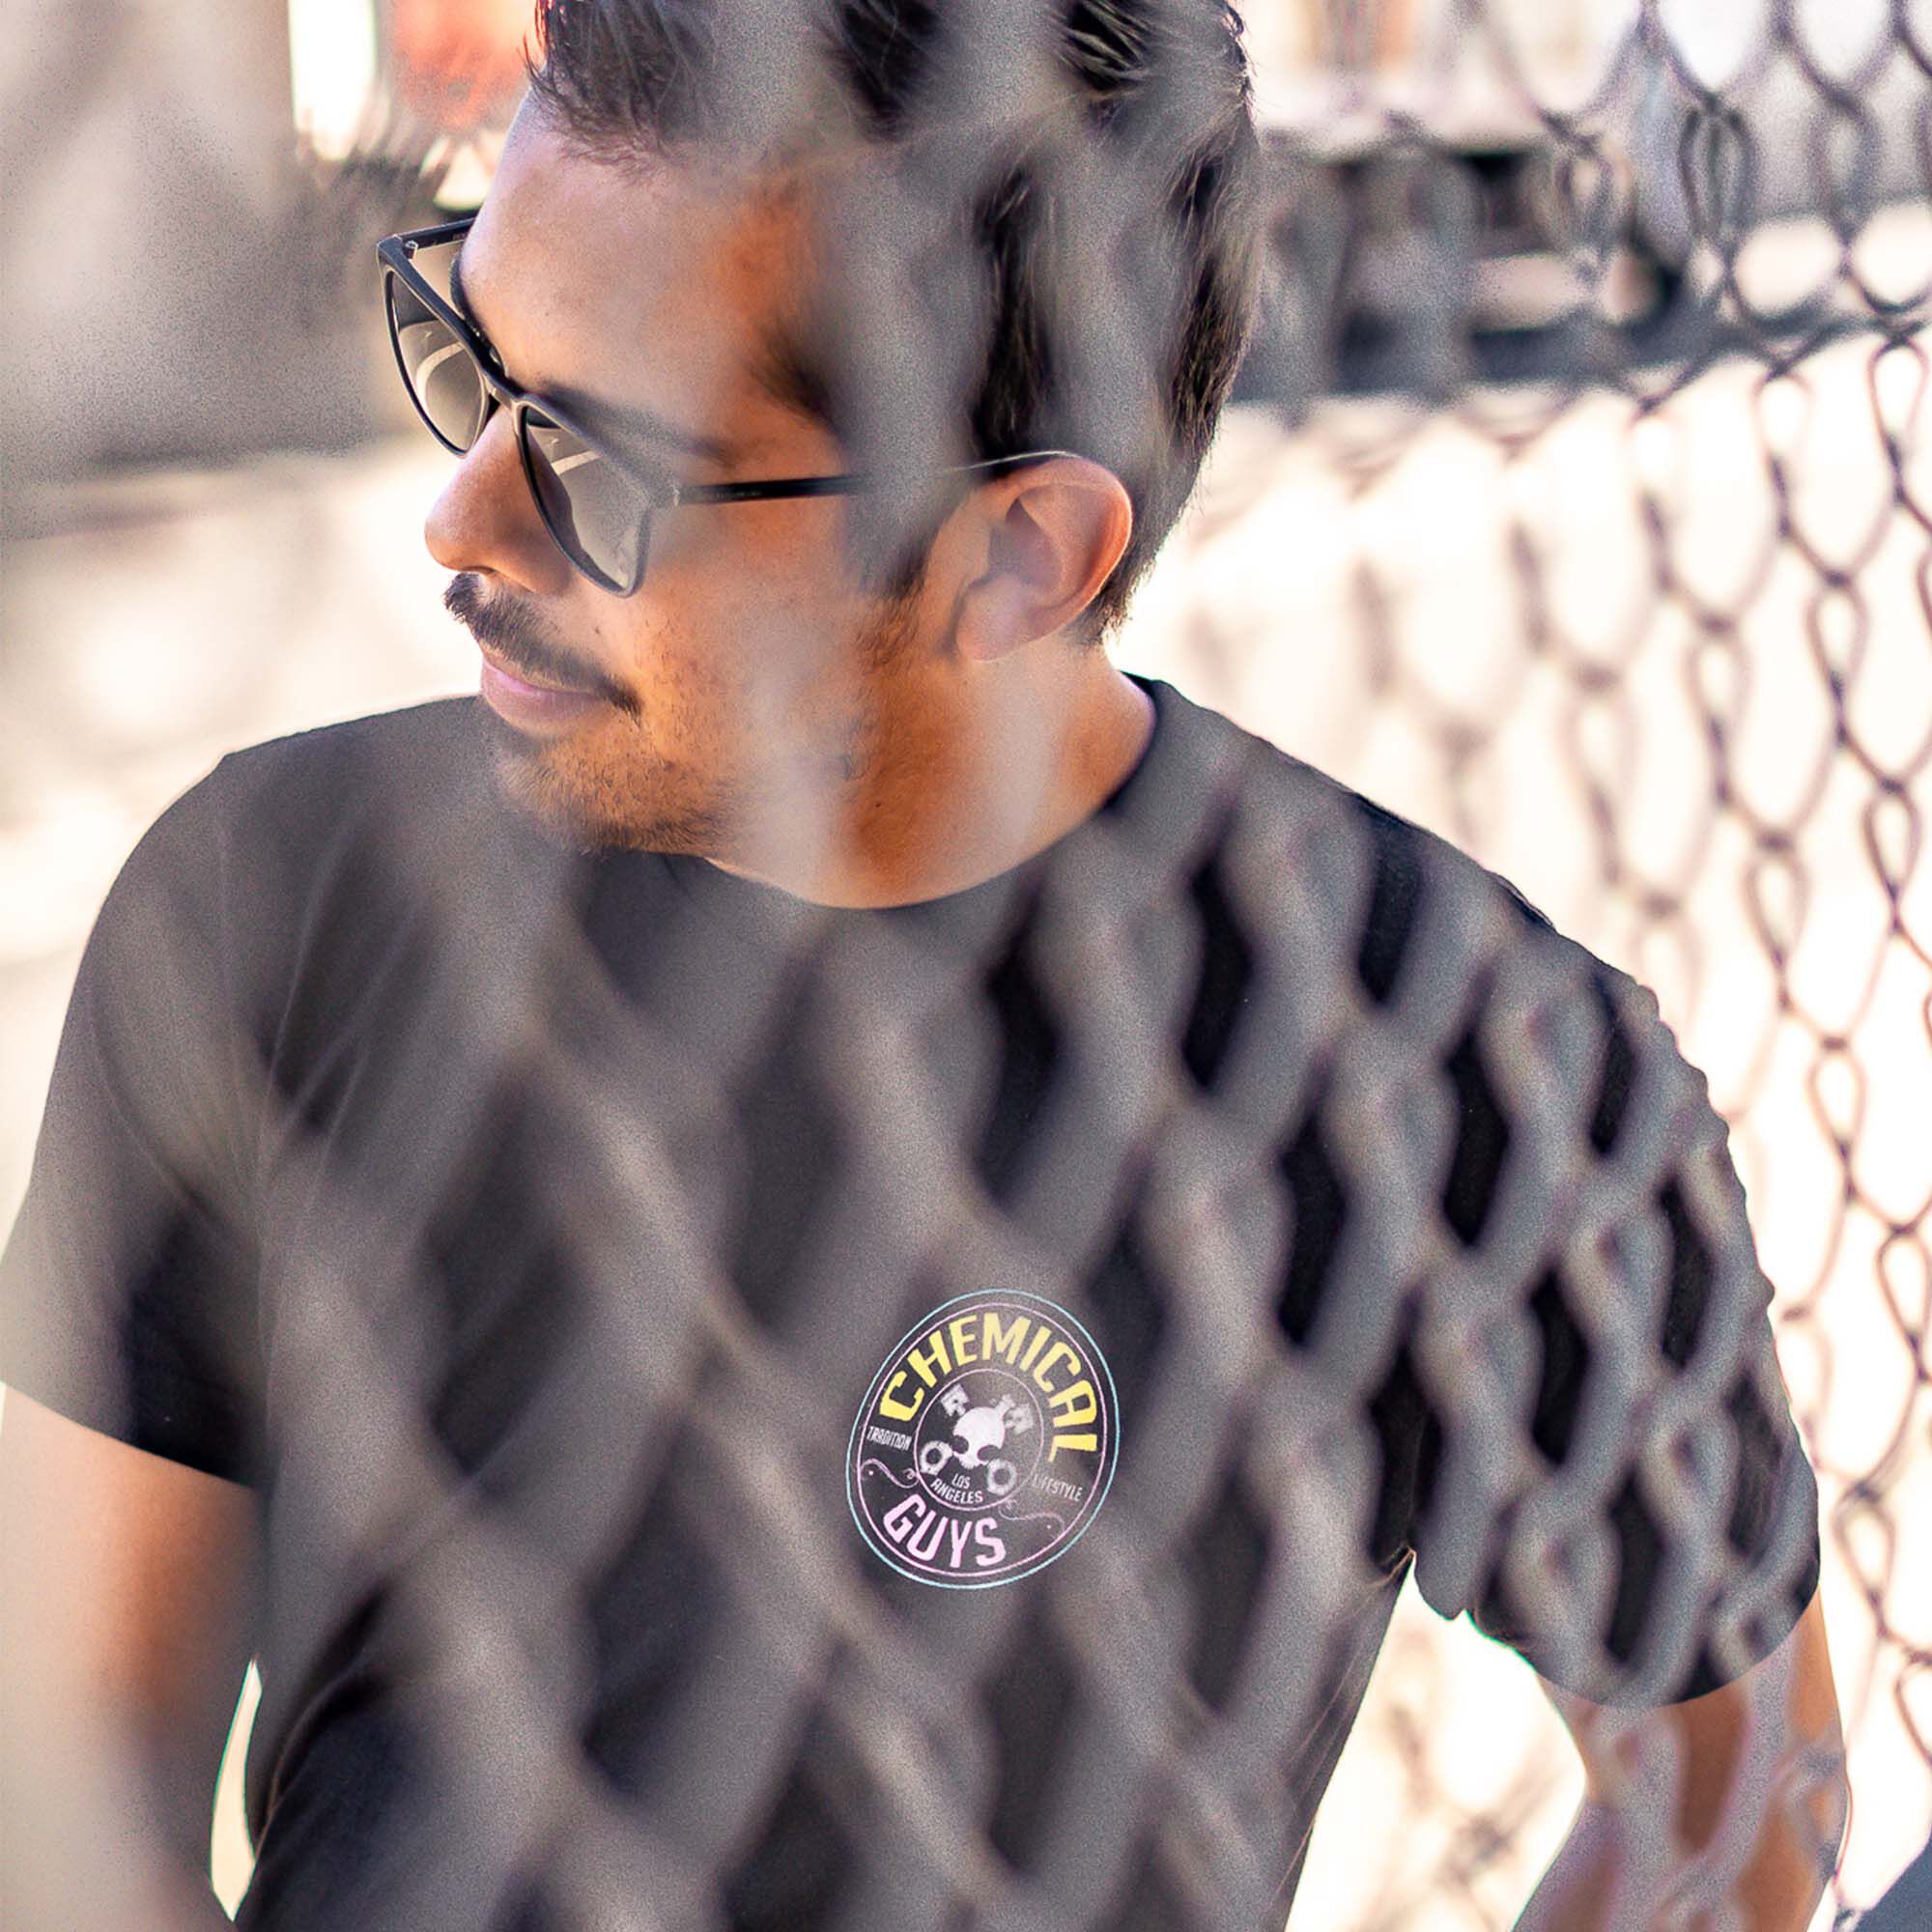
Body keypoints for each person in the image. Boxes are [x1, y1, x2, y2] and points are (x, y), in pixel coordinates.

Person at [0, 4, 1848, 1929]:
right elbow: (65, 1743)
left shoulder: (1460, 1060)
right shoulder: (276, 901)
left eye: (603, 465)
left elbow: (1738, 1805)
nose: (459, 517)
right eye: (472, 360)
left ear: (1020, 554)